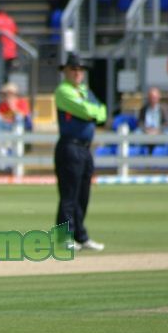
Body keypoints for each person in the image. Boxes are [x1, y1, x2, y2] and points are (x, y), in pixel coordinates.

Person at [54, 53, 106, 252]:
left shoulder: (84, 90)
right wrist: (93, 112)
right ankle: (63, 236)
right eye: (73, 69)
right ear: (66, 71)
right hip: (70, 146)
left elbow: (102, 112)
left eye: (80, 69)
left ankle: (80, 236)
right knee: (69, 195)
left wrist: (94, 112)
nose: (77, 73)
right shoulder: (63, 91)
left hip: (85, 148)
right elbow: (87, 111)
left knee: (83, 195)